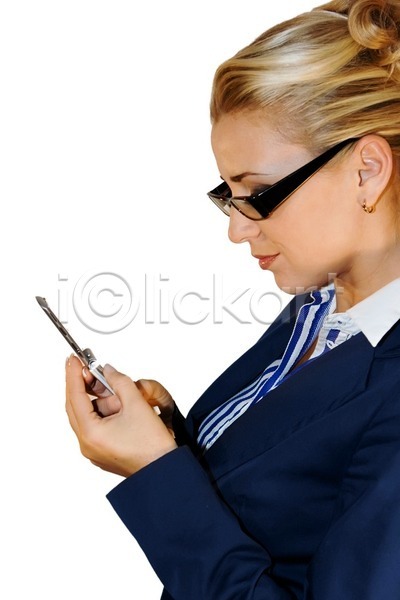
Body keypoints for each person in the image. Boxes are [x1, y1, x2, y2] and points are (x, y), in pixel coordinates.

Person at [65, 0, 400, 598]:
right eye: (228, 196)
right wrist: (170, 442)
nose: (237, 230)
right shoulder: (321, 310)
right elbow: (285, 499)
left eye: (260, 194)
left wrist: (153, 472)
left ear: (367, 170)